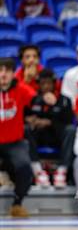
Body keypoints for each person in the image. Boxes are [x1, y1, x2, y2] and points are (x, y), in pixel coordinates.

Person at [24, 69, 75, 188]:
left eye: (49, 83)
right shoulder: (32, 98)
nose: (46, 86)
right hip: (37, 136)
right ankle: (37, 170)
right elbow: (23, 115)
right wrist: (30, 119)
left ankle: (62, 171)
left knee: (71, 130)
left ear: (54, 83)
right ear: (38, 84)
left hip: (56, 135)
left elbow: (68, 119)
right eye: (42, 83)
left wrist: (50, 122)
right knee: (24, 129)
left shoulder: (64, 100)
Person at [0, 58, 35, 217]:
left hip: (15, 142)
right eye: (0, 70)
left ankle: (17, 203)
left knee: (25, 167)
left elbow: (35, 99)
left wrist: (45, 98)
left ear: (14, 74)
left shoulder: (21, 89)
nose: (3, 74)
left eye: (7, 70)